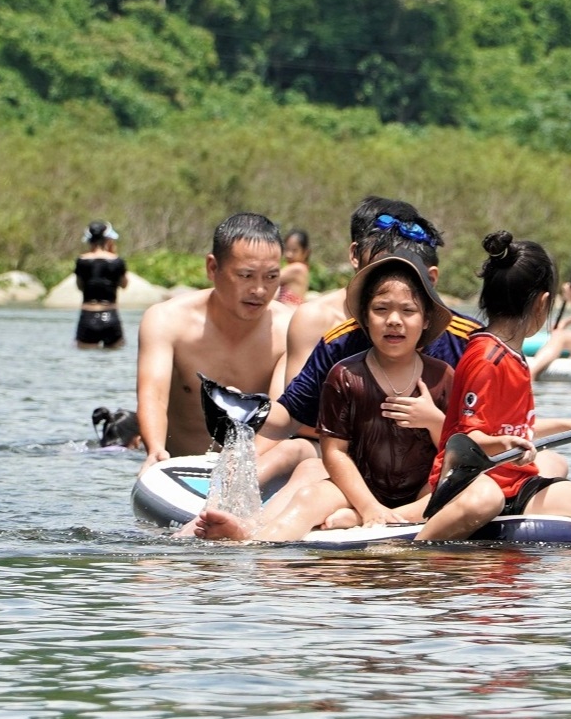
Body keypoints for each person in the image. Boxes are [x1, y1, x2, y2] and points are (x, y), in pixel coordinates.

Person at [187, 253, 456, 540]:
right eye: (381, 309)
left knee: (450, 494)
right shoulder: (345, 376)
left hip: (420, 493)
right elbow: (334, 452)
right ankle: (256, 540)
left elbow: (454, 453)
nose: (393, 320)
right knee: (308, 497)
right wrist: (367, 505)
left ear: (426, 319)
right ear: (364, 317)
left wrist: (433, 420)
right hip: (356, 487)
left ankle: (379, 518)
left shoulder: (442, 376)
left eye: (408, 311)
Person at [416, 232, 571, 548]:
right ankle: (416, 549)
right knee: (485, 501)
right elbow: (469, 439)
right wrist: (504, 442)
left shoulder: (514, 356)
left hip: (513, 480)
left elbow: (516, 428)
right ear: (542, 303)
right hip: (476, 482)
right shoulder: (486, 358)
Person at [136, 213, 303, 474]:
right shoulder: (166, 320)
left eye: (271, 277)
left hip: (254, 469)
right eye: (246, 275)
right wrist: (155, 449)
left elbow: (279, 413)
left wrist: (244, 469)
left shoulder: (290, 329)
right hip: (179, 467)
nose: (259, 290)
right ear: (213, 268)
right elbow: (153, 395)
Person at [283, 198, 443, 382]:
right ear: (354, 255)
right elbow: (297, 405)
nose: (392, 263)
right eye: (383, 251)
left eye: (401, 254)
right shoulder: (316, 319)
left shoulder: (432, 322)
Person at [74, 221, 128, 348]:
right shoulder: (117, 261)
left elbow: (79, 286)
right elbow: (124, 284)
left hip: (87, 316)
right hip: (110, 315)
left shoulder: (81, 261)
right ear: (108, 240)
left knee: (85, 359)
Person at [278, 229, 311, 306]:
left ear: (305, 252)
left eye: (294, 250)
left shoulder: (298, 268)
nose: (289, 254)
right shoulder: (301, 268)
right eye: (287, 249)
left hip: (289, 313)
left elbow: (269, 279)